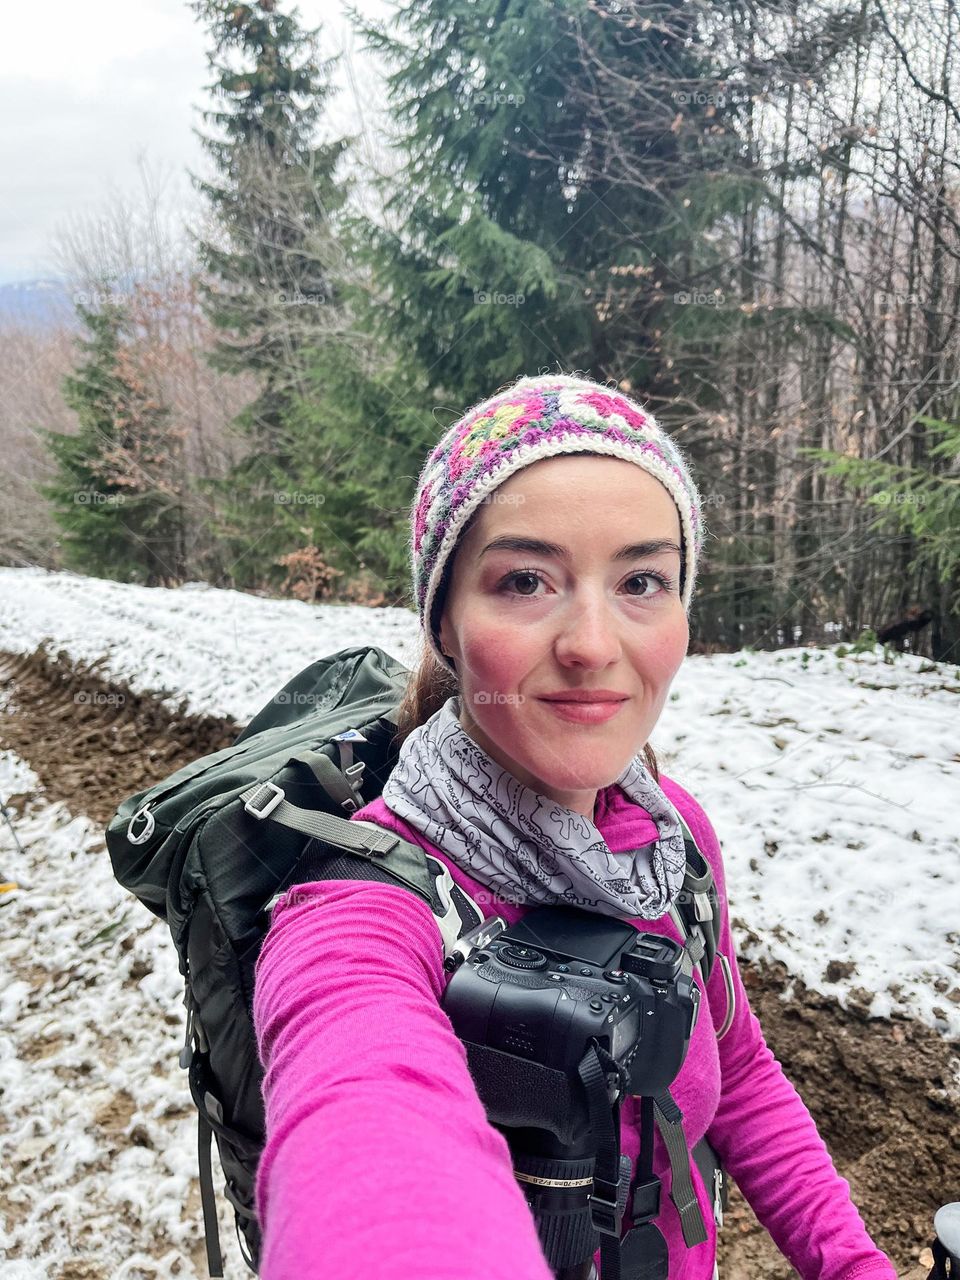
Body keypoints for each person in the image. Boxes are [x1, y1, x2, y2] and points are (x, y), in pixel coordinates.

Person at [252, 373, 898, 1280]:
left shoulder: (676, 846)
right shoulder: (362, 915)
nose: (592, 644)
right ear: (445, 621)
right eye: (525, 580)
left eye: (641, 579)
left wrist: (854, 1264)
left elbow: (742, 1072)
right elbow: (368, 1127)